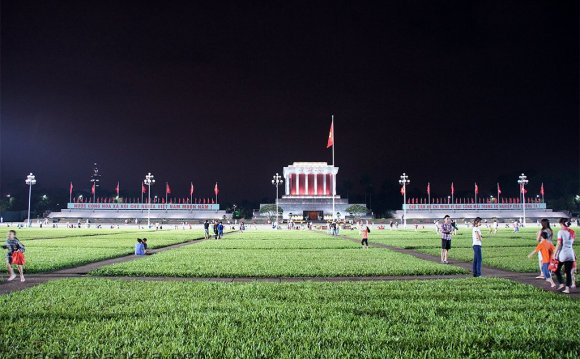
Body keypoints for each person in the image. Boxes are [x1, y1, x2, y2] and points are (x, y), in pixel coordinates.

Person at [554, 219, 575, 294]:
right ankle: (567, 288)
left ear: (562, 224)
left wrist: (554, 254)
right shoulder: (572, 232)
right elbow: (572, 243)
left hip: (563, 253)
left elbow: (559, 243)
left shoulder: (561, 232)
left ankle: (561, 283)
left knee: (556, 270)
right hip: (571, 253)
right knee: (568, 271)